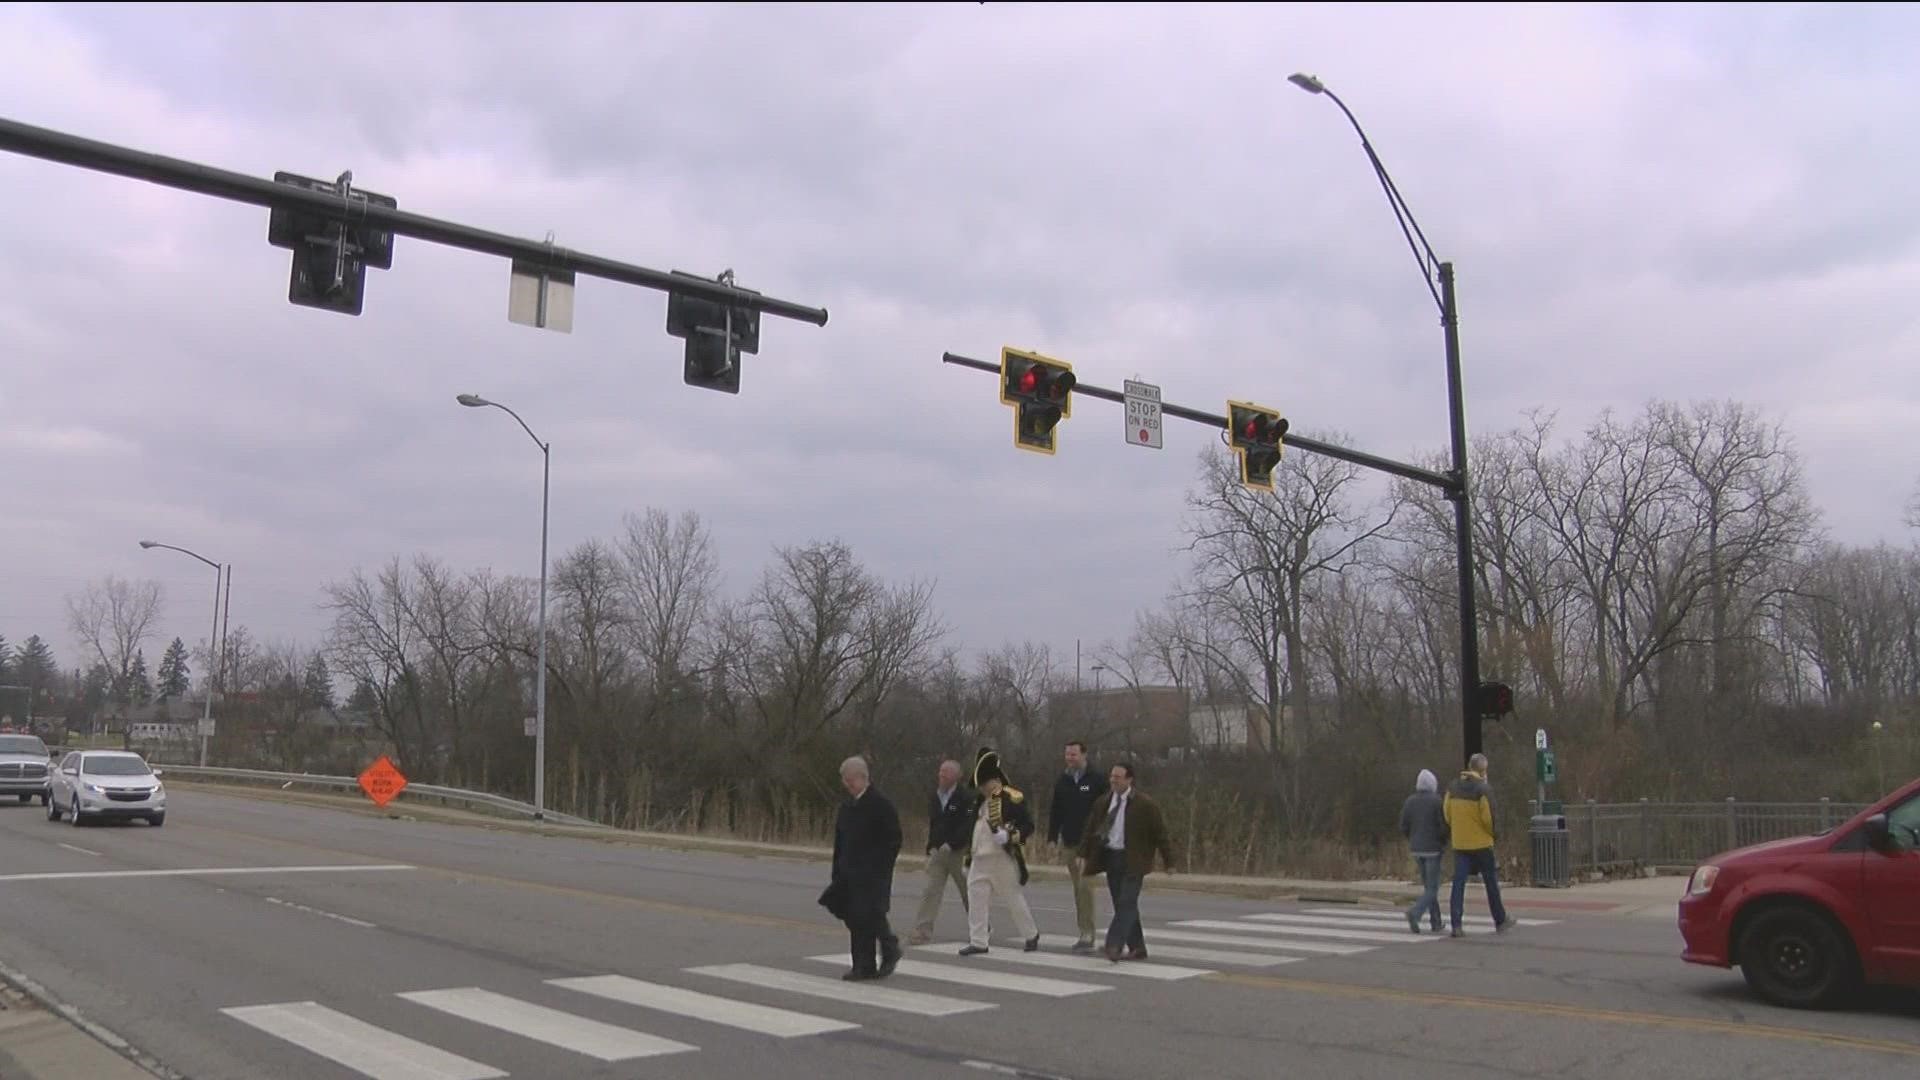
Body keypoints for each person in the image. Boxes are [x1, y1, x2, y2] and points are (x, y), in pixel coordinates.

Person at [1076, 761, 1176, 963]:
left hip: (1134, 860)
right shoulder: (1103, 802)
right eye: (1112, 776)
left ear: (1129, 780)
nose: (1113, 780)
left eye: (1118, 777)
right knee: (1124, 905)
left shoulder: (1145, 805)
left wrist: (1169, 861)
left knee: (1126, 902)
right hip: (1112, 857)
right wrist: (1083, 853)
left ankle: (1114, 945)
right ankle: (1138, 948)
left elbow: (1161, 834)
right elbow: (1090, 830)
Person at [821, 755, 903, 980]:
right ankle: (864, 964)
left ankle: (888, 949)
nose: (847, 784)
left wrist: (876, 866)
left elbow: (893, 840)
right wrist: (837, 869)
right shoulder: (847, 806)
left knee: (870, 915)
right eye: (844, 780)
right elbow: (840, 841)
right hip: (848, 873)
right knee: (856, 918)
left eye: (850, 780)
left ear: (862, 777)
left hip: (872, 874)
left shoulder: (880, 805)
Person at [957, 747, 1041, 956]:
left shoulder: (1012, 798)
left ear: (995, 780)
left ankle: (1031, 934)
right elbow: (972, 829)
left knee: (1013, 898)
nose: (983, 789)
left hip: (1002, 857)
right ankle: (978, 941)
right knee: (976, 898)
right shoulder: (978, 802)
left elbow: (1027, 825)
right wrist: (968, 857)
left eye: (985, 784)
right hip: (979, 857)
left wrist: (1010, 836)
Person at [1443, 753, 1515, 938]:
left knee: (1459, 884)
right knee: (1490, 882)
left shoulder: (1452, 788)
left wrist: (1458, 829)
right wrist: (1493, 834)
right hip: (1482, 843)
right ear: (1482, 771)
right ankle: (1500, 919)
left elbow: (1446, 814)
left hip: (1460, 843)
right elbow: (1488, 819)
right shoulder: (1483, 790)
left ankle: (1456, 924)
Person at [1049, 739, 1109, 952]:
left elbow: (1107, 809)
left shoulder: (1097, 780)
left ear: (1084, 755)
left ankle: (1088, 934)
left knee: (1085, 887)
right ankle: (1084, 930)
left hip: (1091, 843)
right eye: (1067, 754)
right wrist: (1052, 836)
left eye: (1074, 754)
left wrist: (1103, 836)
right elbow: (1056, 810)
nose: (1070, 758)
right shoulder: (1063, 781)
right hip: (1070, 841)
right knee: (1078, 889)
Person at [908, 758, 972, 945]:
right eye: (940, 771)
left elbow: (967, 826)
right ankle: (923, 930)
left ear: (957, 776)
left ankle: (981, 926)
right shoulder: (935, 796)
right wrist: (932, 845)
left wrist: (952, 843)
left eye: (946, 772)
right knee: (931, 890)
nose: (941, 775)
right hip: (938, 852)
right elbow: (935, 823)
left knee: (967, 891)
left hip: (957, 852)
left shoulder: (966, 797)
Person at [1399, 768, 1448, 934]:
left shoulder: (1409, 801)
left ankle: (1436, 922)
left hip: (1417, 849)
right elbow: (1443, 826)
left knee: (1428, 887)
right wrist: (1443, 841)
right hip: (1433, 849)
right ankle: (1415, 912)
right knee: (1432, 888)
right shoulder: (1437, 801)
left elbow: (1403, 825)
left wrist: (1412, 838)